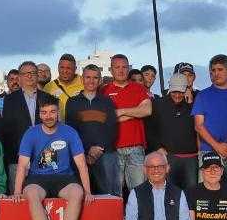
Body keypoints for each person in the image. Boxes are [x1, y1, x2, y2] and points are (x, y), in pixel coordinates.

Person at [12, 99, 94, 220]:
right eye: (44, 112)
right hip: (37, 178)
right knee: (32, 194)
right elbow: (22, 165)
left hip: (64, 177)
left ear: (58, 113)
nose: (48, 116)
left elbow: (81, 164)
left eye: (52, 112)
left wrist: (88, 191)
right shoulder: (31, 133)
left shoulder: (69, 132)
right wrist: (17, 191)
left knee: (77, 192)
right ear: (39, 114)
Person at [0, 61, 58, 193]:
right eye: (25, 73)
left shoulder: (48, 98)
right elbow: (8, 130)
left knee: (45, 194)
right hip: (18, 157)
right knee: (18, 195)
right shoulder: (9, 100)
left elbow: (54, 127)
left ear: (37, 76)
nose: (29, 76)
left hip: (44, 156)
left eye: (33, 73)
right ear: (20, 77)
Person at [65, 64, 120, 196]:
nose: (91, 81)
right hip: (81, 153)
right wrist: (87, 150)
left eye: (95, 78)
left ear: (100, 80)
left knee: (108, 194)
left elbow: (112, 128)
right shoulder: (72, 102)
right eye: (88, 77)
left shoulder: (107, 102)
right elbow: (72, 130)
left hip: (105, 153)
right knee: (81, 194)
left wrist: (98, 149)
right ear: (82, 79)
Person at [101, 53, 152, 192]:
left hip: (136, 147)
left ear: (128, 68)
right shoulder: (104, 90)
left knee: (139, 191)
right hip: (113, 149)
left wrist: (121, 111)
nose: (121, 70)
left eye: (124, 67)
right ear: (111, 70)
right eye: (117, 67)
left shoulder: (138, 88)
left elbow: (147, 110)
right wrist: (134, 113)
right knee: (114, 192)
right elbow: (105, 119)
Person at [149, 73, 199, 190]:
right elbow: (150, 129)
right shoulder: (158, 104)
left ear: (186, 89)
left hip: (191, 157)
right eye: (174, 92)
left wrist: (191, 103)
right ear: (169, 89)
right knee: (169, 191)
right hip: (168, 156)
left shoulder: (194, 102)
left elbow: (200, 125)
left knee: (191, 191)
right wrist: (157, 147)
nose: (177, 95)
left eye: (180, 92)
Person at [193, 55, 227, 176]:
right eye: (213, 70)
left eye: (220, 69)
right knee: (207, 187)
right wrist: (218, 146)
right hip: (208, 151)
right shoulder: (202, 95)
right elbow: (199, 126)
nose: (216, 73)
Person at [43, 53, 83, 119]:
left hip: (80, 124)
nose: (65, 71)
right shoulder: (48, 87)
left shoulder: (85, 83)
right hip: (58, 125)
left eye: (68, 68)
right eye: (62, 67)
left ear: (75, 69)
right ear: (58, 67)